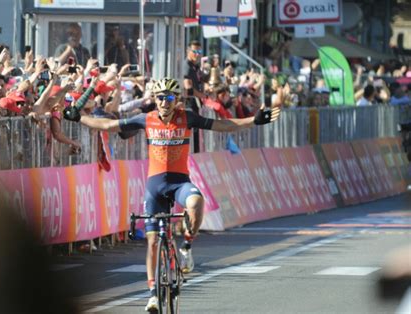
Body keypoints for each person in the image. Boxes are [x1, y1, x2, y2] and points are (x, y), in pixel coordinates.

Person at [63, 77, 281, 312]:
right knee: (153, 242)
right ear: (155, 100)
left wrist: (254, 121)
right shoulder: (145, 119)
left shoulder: (187, 117)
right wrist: (79, 118)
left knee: (196, 202)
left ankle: (187, 246)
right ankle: (153, 295)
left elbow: (222, 126)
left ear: (176, 100)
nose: (164, 102)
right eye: (159, 98)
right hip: (154, 187)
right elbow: (107, 126)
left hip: (179, 183)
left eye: (168, 98)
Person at [183, 40, 205, 153]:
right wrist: (202, 95)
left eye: (199, 51)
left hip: (196, 104)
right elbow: (188, 88)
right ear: (188, 51)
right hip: (189, 104)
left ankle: (196, 154)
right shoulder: (187, 66)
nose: (197, 54)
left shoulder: (195, 66)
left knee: (197, 132)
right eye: (194, 51)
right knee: (193, 131)